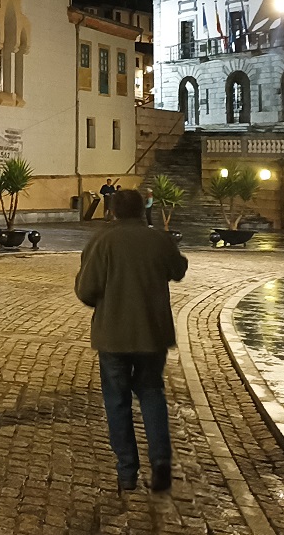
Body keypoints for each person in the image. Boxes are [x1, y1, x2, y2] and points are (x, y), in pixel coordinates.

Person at [75, 188, 188, 493]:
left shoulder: (102, 241)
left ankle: (127, 470)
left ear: (113, 211)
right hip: (153, 332)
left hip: (113, 335)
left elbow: (86, 290)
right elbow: (178, 270)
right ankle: (160, 461)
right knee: (152, 393)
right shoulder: (158, 239)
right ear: (142, 209)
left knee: (117, 400)